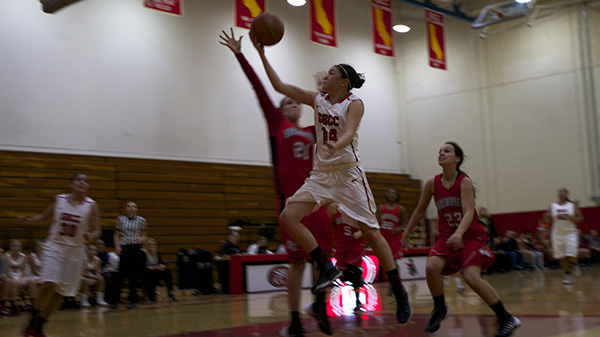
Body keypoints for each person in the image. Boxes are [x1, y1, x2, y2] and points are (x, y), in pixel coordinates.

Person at [247, 28, 412, 326]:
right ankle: (323, 264)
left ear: (344, 81)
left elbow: (349, 130)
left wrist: (340, 142)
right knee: (287, 217)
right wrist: (261, 53)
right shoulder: (317, 99)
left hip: (348, 173)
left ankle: (399, 290)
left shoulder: (354, 103)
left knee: (372, 232)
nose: (326, 75)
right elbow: (279, 85)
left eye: (332, 72)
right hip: (321, 174)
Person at [219, 28, 334, 337]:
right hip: (289, 204)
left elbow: (327, 112)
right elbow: (259, 88)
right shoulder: (276, 124)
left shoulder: (313, 131)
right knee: (298, 264)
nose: (292, 105)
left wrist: (320, 87)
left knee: (325, 263)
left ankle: (321, 308)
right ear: (281, 111)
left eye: (295, 103)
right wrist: (241, 54)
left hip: (316, 202)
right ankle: (296, 321)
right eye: (287, 104)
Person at [401, 142, 520, 337]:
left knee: (471, 277)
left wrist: (459, 233)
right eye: (439, 151)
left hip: (472, 237)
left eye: (446, 151)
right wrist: (407, 233)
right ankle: (440, 308)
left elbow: (468, 212)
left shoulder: (464, 182)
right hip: (448, 237)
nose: (441, 153)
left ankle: (507, 318)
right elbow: (420, 210)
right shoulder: (432, 183)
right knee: (431, 267)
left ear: (457, 158)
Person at [17, 173, 101, 337]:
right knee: (49, 282)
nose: (82, 183)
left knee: (60, 293)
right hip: (55, 246)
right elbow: (44, 217)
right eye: (78, 180)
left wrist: (92, 235)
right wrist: (29, 220)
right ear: (71, 183)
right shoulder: (59, 199)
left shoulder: (91, 205)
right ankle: (32, 318)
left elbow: (97, 229)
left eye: (86, 181)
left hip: (76, 251)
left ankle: (39, 327)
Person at [543, 187, 583, 285]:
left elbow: (581, 218)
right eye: (559, 191)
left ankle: (575, 264)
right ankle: (567, 274)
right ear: (558, 194)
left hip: (570, 233)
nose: (561, 193)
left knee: (571, 253)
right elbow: (548, 220)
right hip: (557, 233)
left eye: (563, 191)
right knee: (562, 256)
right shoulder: (552, 206)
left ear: (566, 194)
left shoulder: (572, 206)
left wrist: (573, 218)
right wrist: (546, 217)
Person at [114, 201, 147, 309]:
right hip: (125, 248)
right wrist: (118, 247)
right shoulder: (120, 219)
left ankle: (132, 300)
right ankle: (115, 300)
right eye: (129, 206)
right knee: (121, 274)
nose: (131, 208)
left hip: (135, 248)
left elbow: (145, 235)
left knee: (134, 274)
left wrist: (142, 239)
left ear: (136, 209)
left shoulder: (142, 220)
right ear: (126, 209)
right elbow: (116, 235)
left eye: (134, 207)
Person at [331, 206, 365, 311]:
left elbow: (366, 227)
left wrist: (359, 233)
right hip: (341, 245)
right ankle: (355, 275)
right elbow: (333, 226)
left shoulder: (356, 209)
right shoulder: (334, 209)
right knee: (343, 273)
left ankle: (357, 300)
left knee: (352, 271)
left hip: (355, 244)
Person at [5, 239, 38, 315]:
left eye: (19, 246)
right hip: (10, 277)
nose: (17, 247)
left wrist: (21, 279)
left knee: (32, 281)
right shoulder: (6, 256)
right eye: (15, 246)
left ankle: (34, 305)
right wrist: (15, 279)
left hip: (20, 276)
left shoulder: (23, 256)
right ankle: (14, 306)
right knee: (15, 283)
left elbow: (23, 271)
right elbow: (7, 272)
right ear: (11, 247)